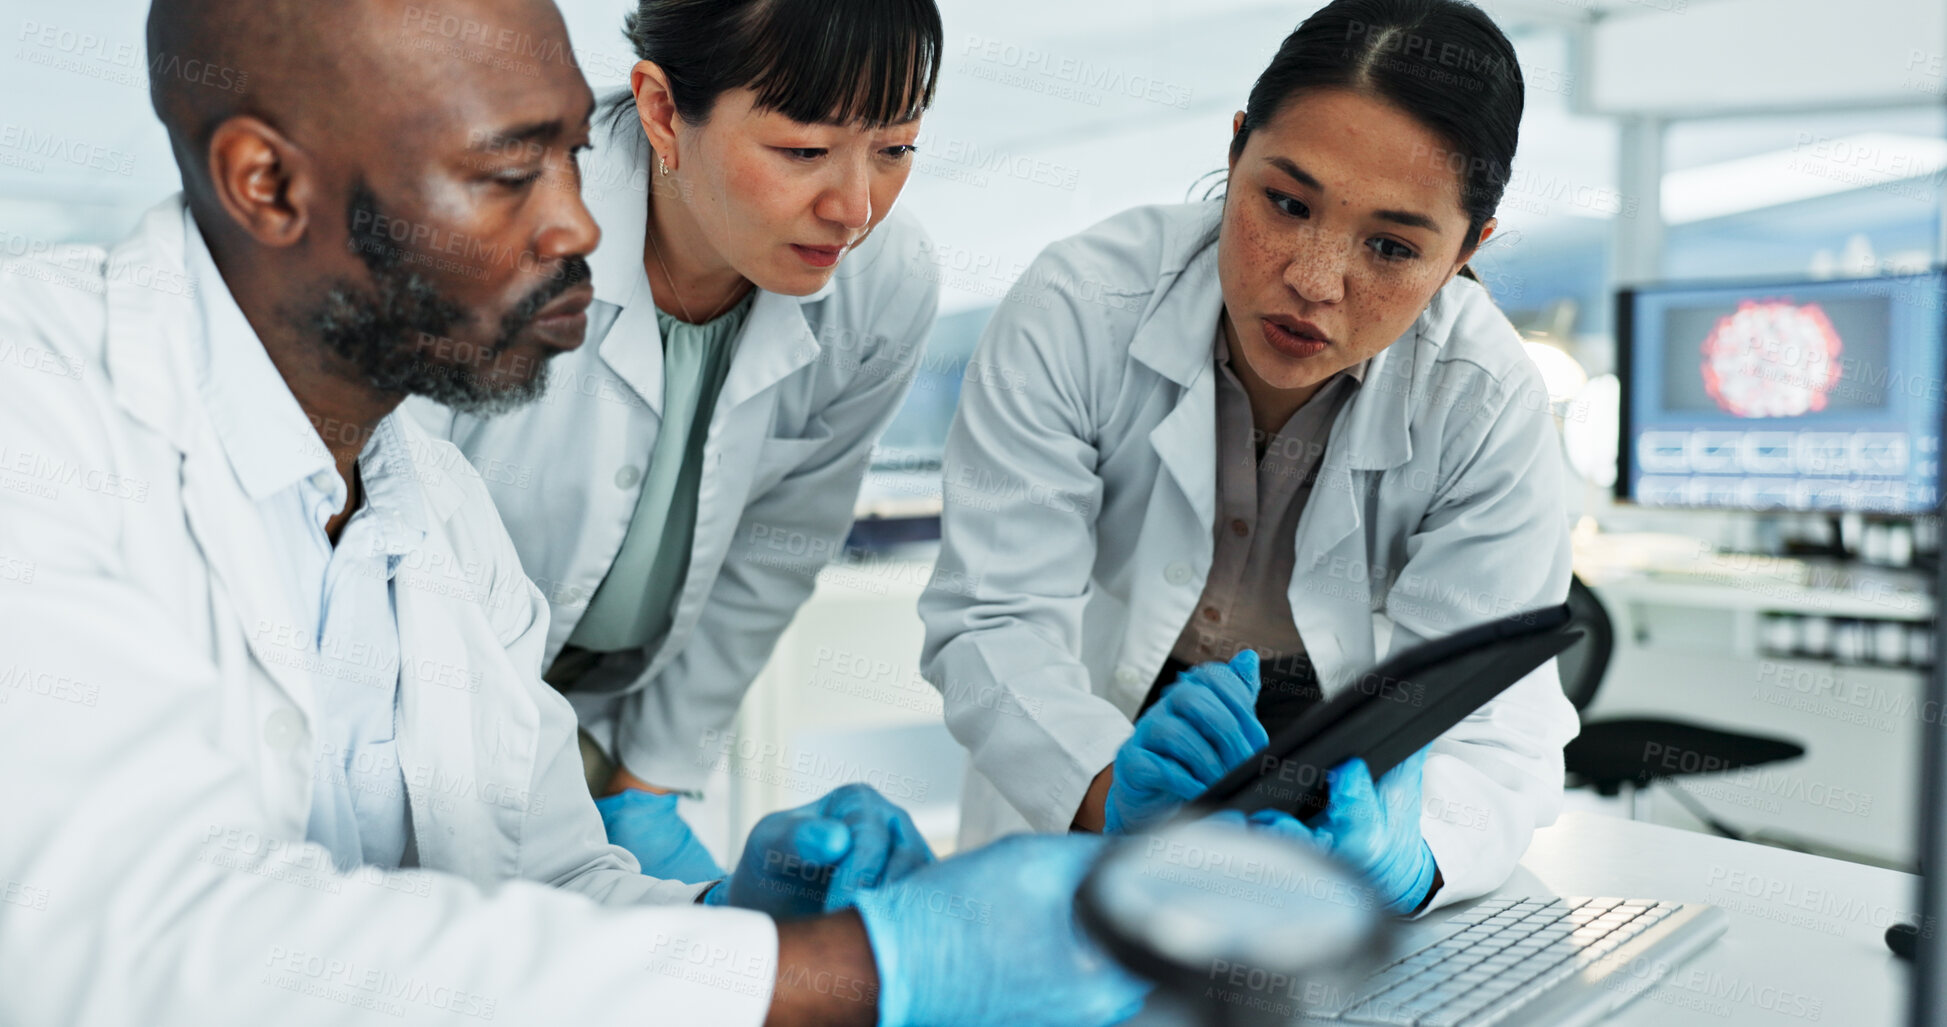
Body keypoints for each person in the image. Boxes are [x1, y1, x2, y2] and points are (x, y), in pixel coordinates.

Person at [0, 0, 1145, 1023]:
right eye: (507, 175)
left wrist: (730, 916)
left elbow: (546, 876)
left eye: (566, 157)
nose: (581, 229)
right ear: (268, 183)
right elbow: (143, 941)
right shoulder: (39, 408)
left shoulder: (432, 509)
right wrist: (848, 973)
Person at [919, 0, 1579, 916]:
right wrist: (1113, 797)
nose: (1313, 279)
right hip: (1095, 752)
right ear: (1234, 151)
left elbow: (1495, 725)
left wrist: (1403, 857)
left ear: (1470, 247)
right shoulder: (1082, 303)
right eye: (1284, 202)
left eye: (1390, 246)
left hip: (1342, 782)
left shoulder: (1481, 398)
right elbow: (995, 618)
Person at [407, 0, 943, 880]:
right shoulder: (490, 235)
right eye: (803, 150)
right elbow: (384, 549)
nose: (854, 207)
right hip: (424, 708)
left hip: (610, 721)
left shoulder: (883, 283)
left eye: (896, 148)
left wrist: (647, 781)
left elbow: (780, 539)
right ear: (661, 110)